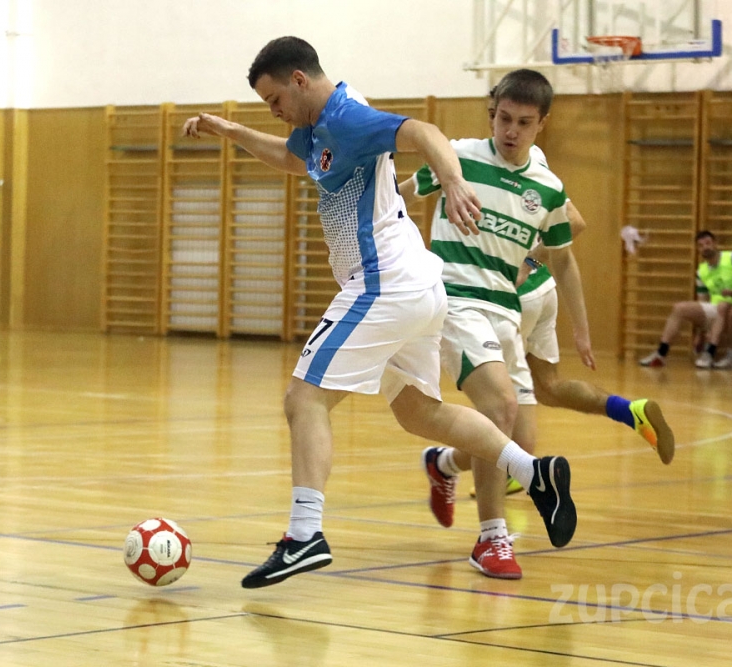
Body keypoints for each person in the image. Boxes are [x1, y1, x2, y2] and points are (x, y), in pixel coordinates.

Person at [182, 37, 577, 588]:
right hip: (414, 286)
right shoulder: (319, 131)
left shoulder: (345, 116)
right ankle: (536, 474)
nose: (273, 111)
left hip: (384, 281)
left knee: (304, 398)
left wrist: (456, 182)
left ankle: (304, 535)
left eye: (274, 100)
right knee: (420, 414)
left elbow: (422, 132)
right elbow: (291, 159)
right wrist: (231, 132)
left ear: (299, 80)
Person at [398, 70, 670, 581]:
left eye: (524, 122)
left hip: (508, 311)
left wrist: (582, 330)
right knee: (498, 406)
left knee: (512, 434)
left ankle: (444, 464)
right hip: (455, 301)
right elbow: (401, 196)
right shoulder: (459, 157)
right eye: (504, 119)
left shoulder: (547, 188)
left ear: (541, 125)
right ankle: (491, 540)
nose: (511, 131)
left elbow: (564, 259)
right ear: (491, 113)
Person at [639, 231, 732, 369]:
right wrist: (699, 333)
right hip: (717, 309)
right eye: (701, 245)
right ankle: (661, 353)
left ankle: (709, 353)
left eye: (708, 243)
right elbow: (703, 302)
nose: (705, 247)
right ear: (698, 249)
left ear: (715, 243)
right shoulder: (701, 271)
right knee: (679, 308)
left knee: (723, 305)